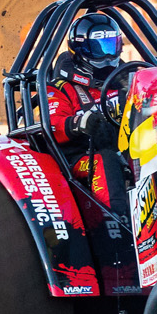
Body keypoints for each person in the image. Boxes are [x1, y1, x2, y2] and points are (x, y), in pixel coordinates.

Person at [46, 12, 131, 207]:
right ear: (80, 49)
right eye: (99, 48)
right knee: (107, 160)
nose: (107, 55)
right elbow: (52, 126)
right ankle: (115, 218)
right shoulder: (62, 88)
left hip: (127, 148)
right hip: (81, 157)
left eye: (110, 46)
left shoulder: (129, 82)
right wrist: (79, 123)